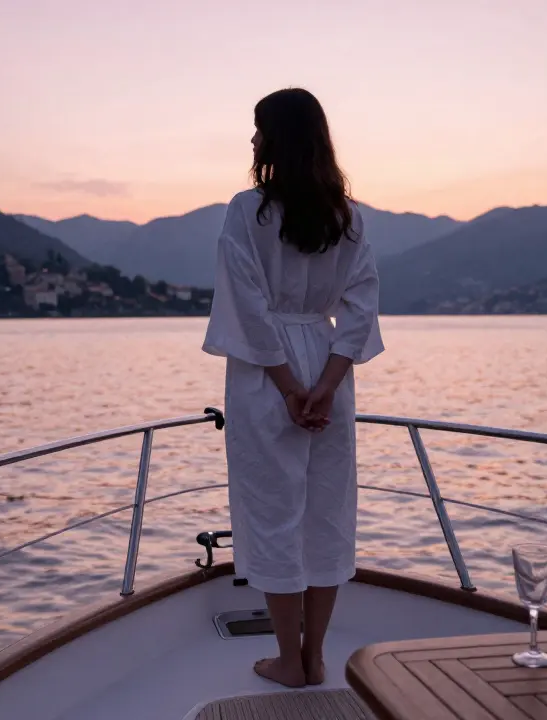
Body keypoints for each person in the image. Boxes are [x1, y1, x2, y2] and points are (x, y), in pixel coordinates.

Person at [202, 87, 384, 688]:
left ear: (279, 138)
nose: (252, 141)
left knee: (274, 511)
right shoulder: (346, 216)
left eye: (259, 129)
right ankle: (317, 655)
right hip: (327, 364)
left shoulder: (247, 211)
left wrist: (288, 390)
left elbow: (249, 309)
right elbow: (359, 308)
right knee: (326, 513)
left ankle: (288, 658)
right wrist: (327, 386)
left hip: (266, 376)